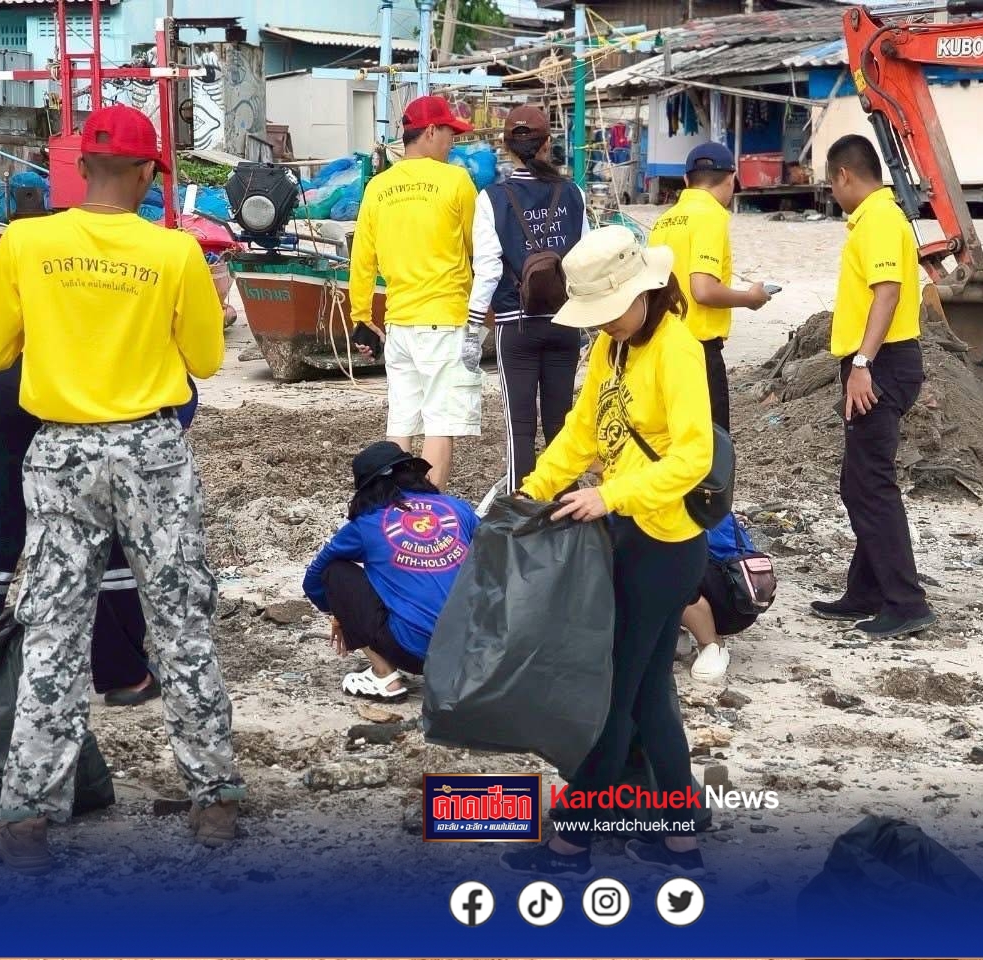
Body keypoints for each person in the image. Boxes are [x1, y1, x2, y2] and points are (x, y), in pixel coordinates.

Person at [0, 104, 246, 875]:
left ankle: (27, 816)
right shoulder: (175, 253)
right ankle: (214, 800)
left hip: (61, 453)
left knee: (53, 632)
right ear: (150, 173)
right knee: (181, 619)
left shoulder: (26, 243)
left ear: (82, 167)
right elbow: (206, 359)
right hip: (151, 451)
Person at [500, 225, 712, 880]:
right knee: (647, 693)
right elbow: (581, 432)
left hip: (667, 543)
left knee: (613, 697)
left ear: (645, 290)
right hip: (627, 531)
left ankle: (571, 844)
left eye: (611, 310)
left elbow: (694, 457)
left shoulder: (677, 348)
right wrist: (532, 491)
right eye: (596, 315)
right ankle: (680, 840)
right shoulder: (611, 347)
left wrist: (610, 495)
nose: (604, 323)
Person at [0, 356, 199, 708]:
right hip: (106, 390)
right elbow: (203, 356)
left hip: (6, 385)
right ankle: (124, 674)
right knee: (111, 526)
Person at [811, 134, 935, 639]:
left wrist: (862, 362)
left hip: (882, 363)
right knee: (859, 482)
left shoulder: (880, 219)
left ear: (844, 175)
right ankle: (865, 590)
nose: (832, 193)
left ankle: (906, 601)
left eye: (831, 183)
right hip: (880, 361)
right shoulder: (874, 218)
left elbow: (888, 293)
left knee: (871, 484)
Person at [350, 95, 481, 490]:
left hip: (399, 325)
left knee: (402, 423)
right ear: (430, 131)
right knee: (440, 423)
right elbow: (478, 248)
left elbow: (362, 258)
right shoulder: (456, 181)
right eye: (449, 133)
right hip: (444, 320)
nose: (453, 143)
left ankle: (394, 506)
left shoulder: (378, 187)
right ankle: (431, 508)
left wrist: (361, 317)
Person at [469, 104, 589, 492]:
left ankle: (521, 510)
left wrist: (472, 329)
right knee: (561, 424)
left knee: (519, 430)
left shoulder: (492, 198)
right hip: (565, 321)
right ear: (547, 143)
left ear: (505, 147)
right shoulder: (573, 193)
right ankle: (565, 509)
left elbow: (488, 270)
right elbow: (586, 261)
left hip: (515, 323)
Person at [302, 441, 479, 702]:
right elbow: (496, 552)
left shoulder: (366, 524)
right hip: (476, 650)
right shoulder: (457, 507)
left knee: (334, 571)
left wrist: (340, 613)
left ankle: (384, 676)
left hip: (415, 652)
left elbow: (314, 578)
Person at [647, 142, 770, 431]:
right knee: (712, 444)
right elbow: (702, 289)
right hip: (698, 350)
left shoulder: (664, 221)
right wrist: (750, 298)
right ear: (731, 179)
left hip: (659, 346)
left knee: (670, 438)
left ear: (686, 180)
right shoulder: (712, 216)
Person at [682, 512, 761, 684]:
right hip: (722, 583)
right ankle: (674, 634)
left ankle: (711, 642)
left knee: (664, 572)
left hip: (733, 599)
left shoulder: (690, 507)